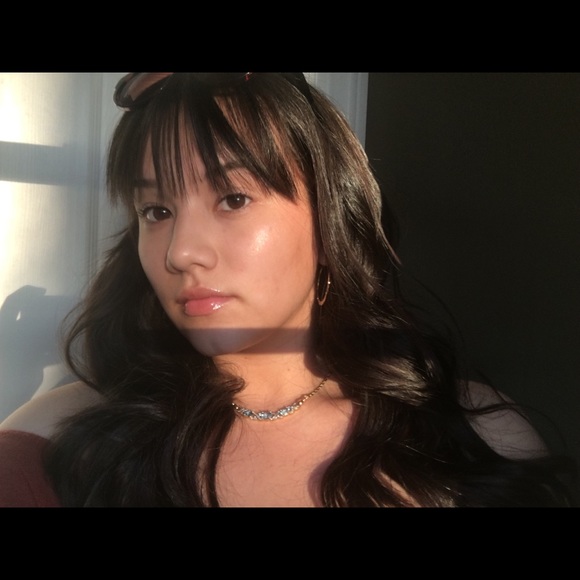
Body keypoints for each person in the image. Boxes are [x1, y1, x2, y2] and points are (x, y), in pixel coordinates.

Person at [0, 72, 576, 507]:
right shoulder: (62, 435)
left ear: (329, 221)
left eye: (233, 198)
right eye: (156, 210)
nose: (180, 252)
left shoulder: (478, 435)